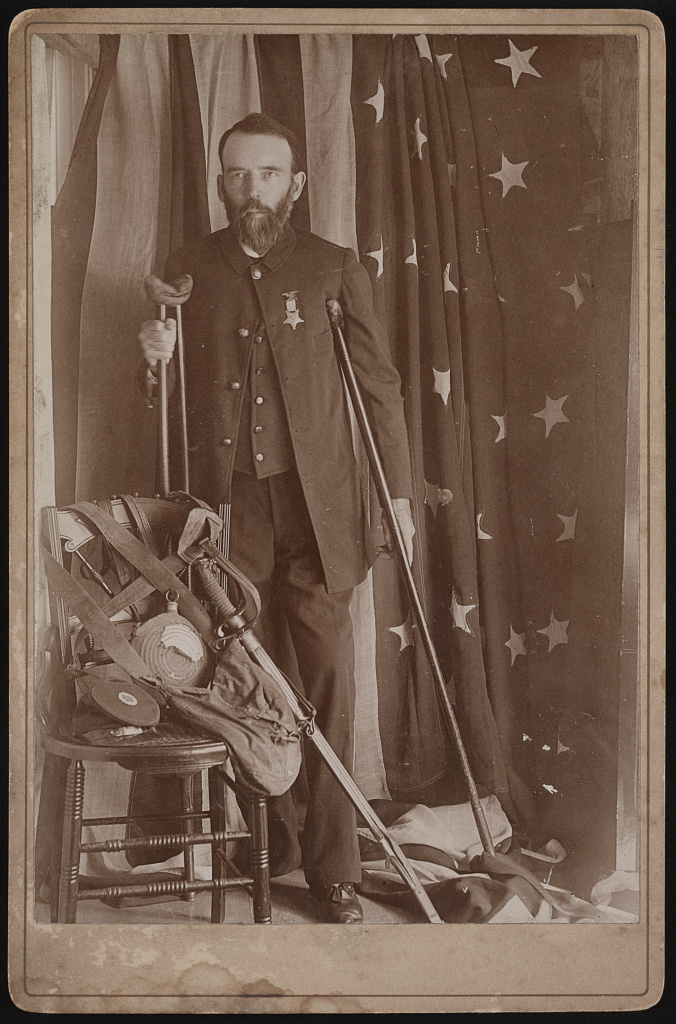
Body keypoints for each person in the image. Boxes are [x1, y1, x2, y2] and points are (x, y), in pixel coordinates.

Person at [138, 113, 415, 923]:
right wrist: (153, 360)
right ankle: (263, 850)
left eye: (266, 173)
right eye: (236, 174)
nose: (250, 189)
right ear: (222, 182)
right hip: (226, 517)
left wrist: (396, 495)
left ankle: (336, 871)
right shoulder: (187, 269)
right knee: (235, 680)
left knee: (325, 679)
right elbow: (158, 400)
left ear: (296, 182)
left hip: (319, 510)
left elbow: (380, 388)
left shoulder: (332, 268)